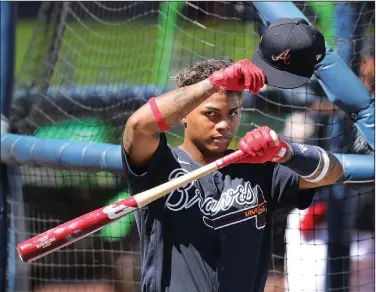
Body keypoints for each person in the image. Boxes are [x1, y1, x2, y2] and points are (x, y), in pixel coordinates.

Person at [121, 18, 344, 292]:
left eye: (233, 113)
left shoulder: (258, 166)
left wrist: (286, 152)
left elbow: (333, 171)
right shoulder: (160, 167)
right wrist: (213, 83)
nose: (224, 124)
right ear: (184, 116)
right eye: (211, 114)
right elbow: (137, 127)